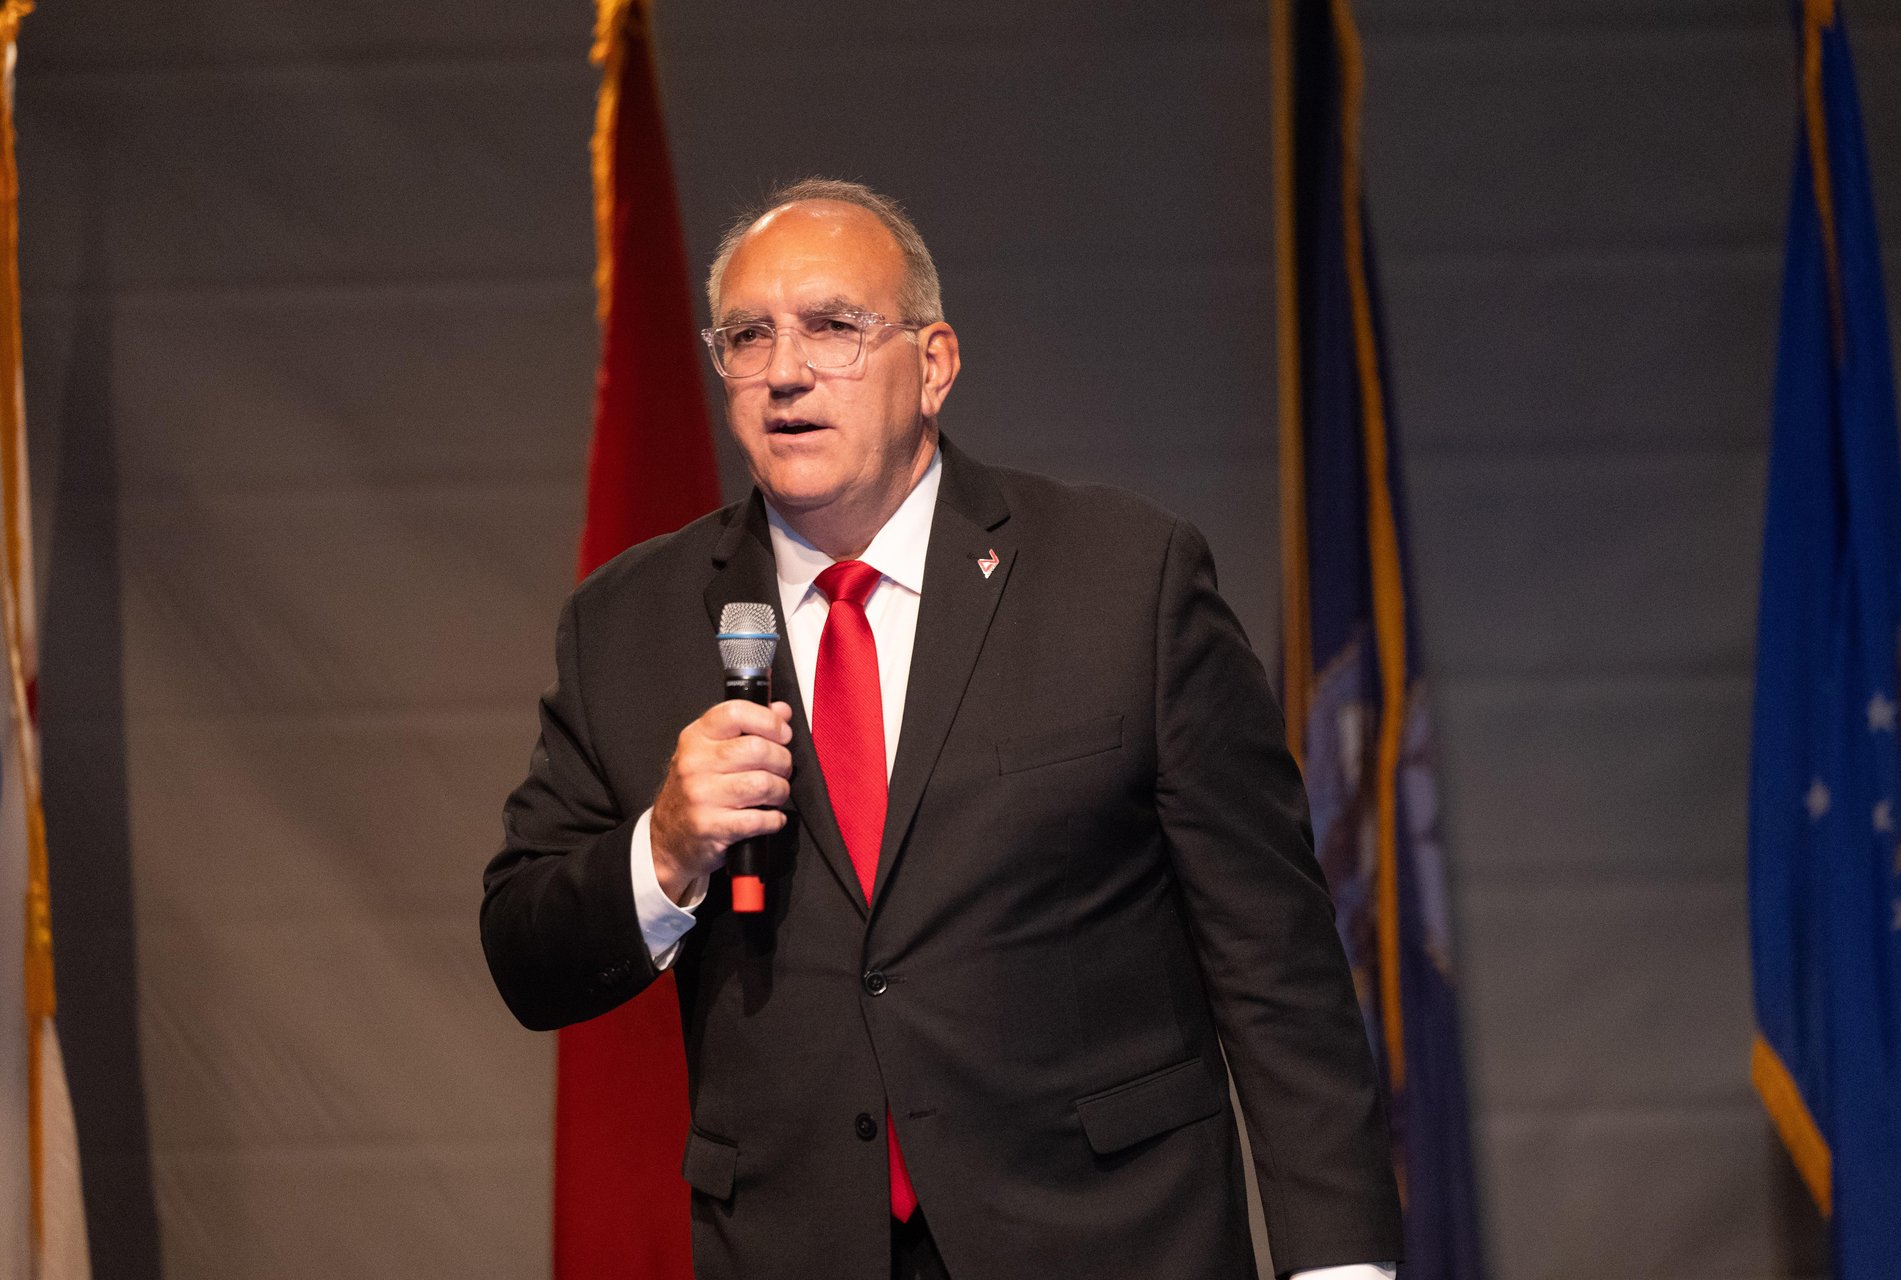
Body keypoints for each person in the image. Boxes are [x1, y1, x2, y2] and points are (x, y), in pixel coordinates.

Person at [481, 178, 1402, 1280]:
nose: (785, 369)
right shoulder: (628, 623)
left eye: (833, 326)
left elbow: (1277, 962)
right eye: (749, 336)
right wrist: (665, 849)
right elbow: (527, 951)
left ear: (935, 364)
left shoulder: (1123, 580)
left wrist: (1340, 1265)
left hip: (1108, 1241)